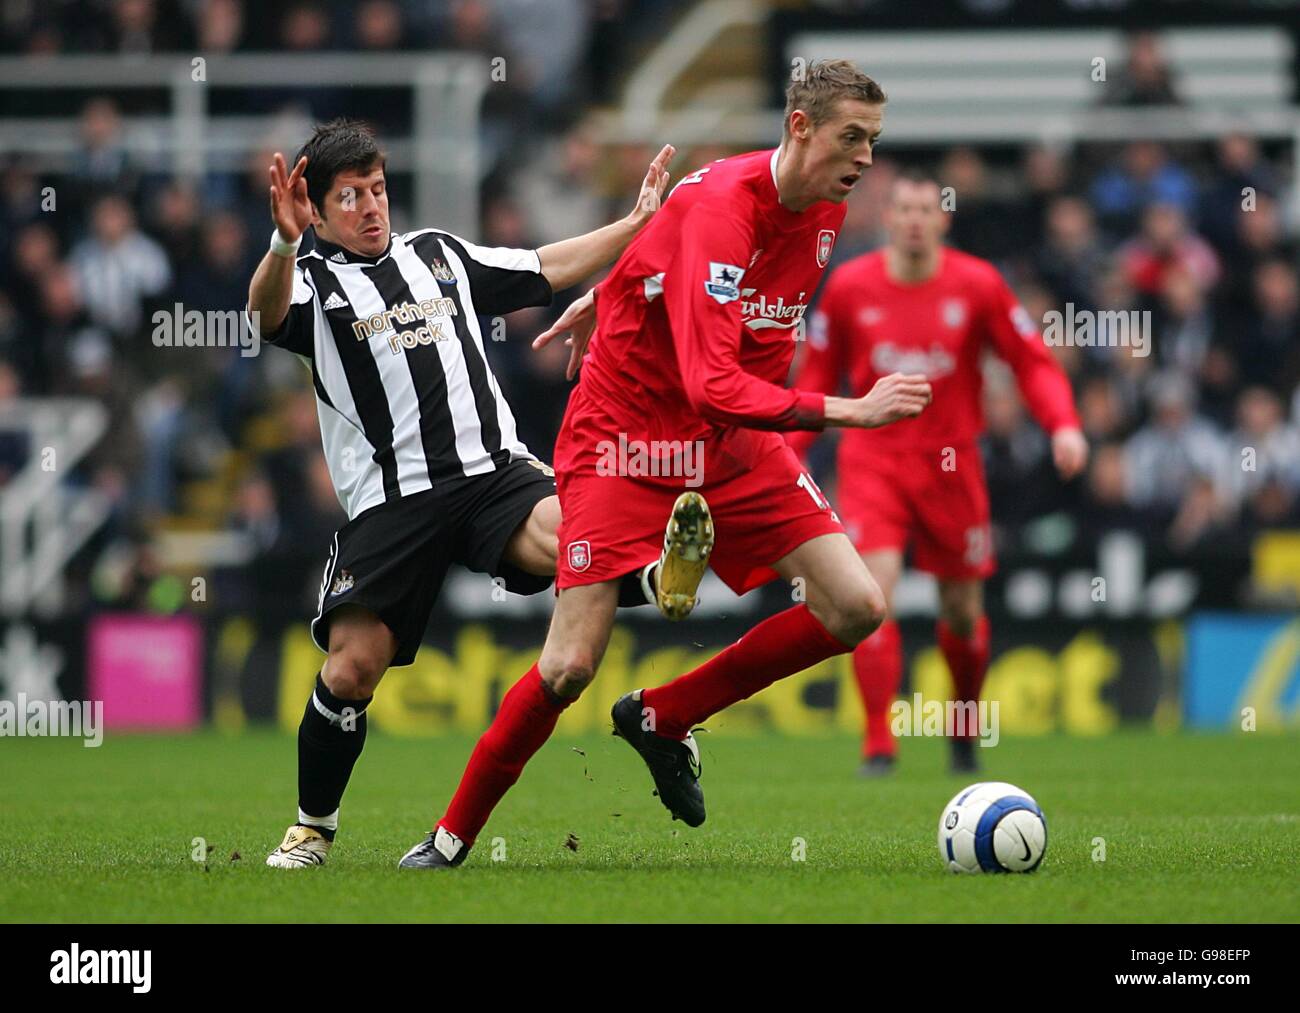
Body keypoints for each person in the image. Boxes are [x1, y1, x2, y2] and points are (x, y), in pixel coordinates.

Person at [402, 60, 933, 869]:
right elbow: (710, 377)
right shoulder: (730, 204)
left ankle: (664, 715)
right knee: (570, 663)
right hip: (628, 433)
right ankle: (449, 839)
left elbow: (672, 229)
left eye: (874, 140)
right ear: (800, 127)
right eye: (852, 137)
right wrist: (849, 409)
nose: (865, 157)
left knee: (857, 604)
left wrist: (617, 288)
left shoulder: (821, 204)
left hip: (730, 435)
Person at [248, 118, 698, 868]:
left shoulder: (439, 256)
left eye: (378, 189)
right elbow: (264, 313)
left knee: (568, 529)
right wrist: (283, 243)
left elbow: (542, 268)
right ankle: (312, 827)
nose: (370, 206)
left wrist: (634, 223)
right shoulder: (317, 286)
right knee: (352, 669)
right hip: (396, 504)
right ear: (318, 213)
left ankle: (655, 577)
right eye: (349, 196)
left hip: (493, 474)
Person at [788, 174, 1088, 774]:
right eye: (905, 209)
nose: (916, 220)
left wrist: (1063, 423)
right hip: (873, 460)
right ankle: (879, 743)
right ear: (888, 218)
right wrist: (788, 454)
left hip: (953, 465)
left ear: (943, 219)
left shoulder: (978, 285)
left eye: (928, 209)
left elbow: (1031, 362)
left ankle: (963, 726)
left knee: (961, 612)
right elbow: (816, 381)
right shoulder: (849, 287)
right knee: (872, 597)